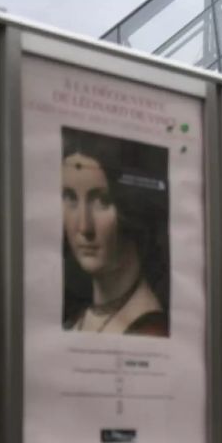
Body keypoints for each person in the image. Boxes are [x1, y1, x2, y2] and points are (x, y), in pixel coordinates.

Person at [61, 127, 170, 337]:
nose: (84, 227)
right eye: (71, 198)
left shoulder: (150, 331)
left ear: (132, 207)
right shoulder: (83, 316)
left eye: (102, 200)